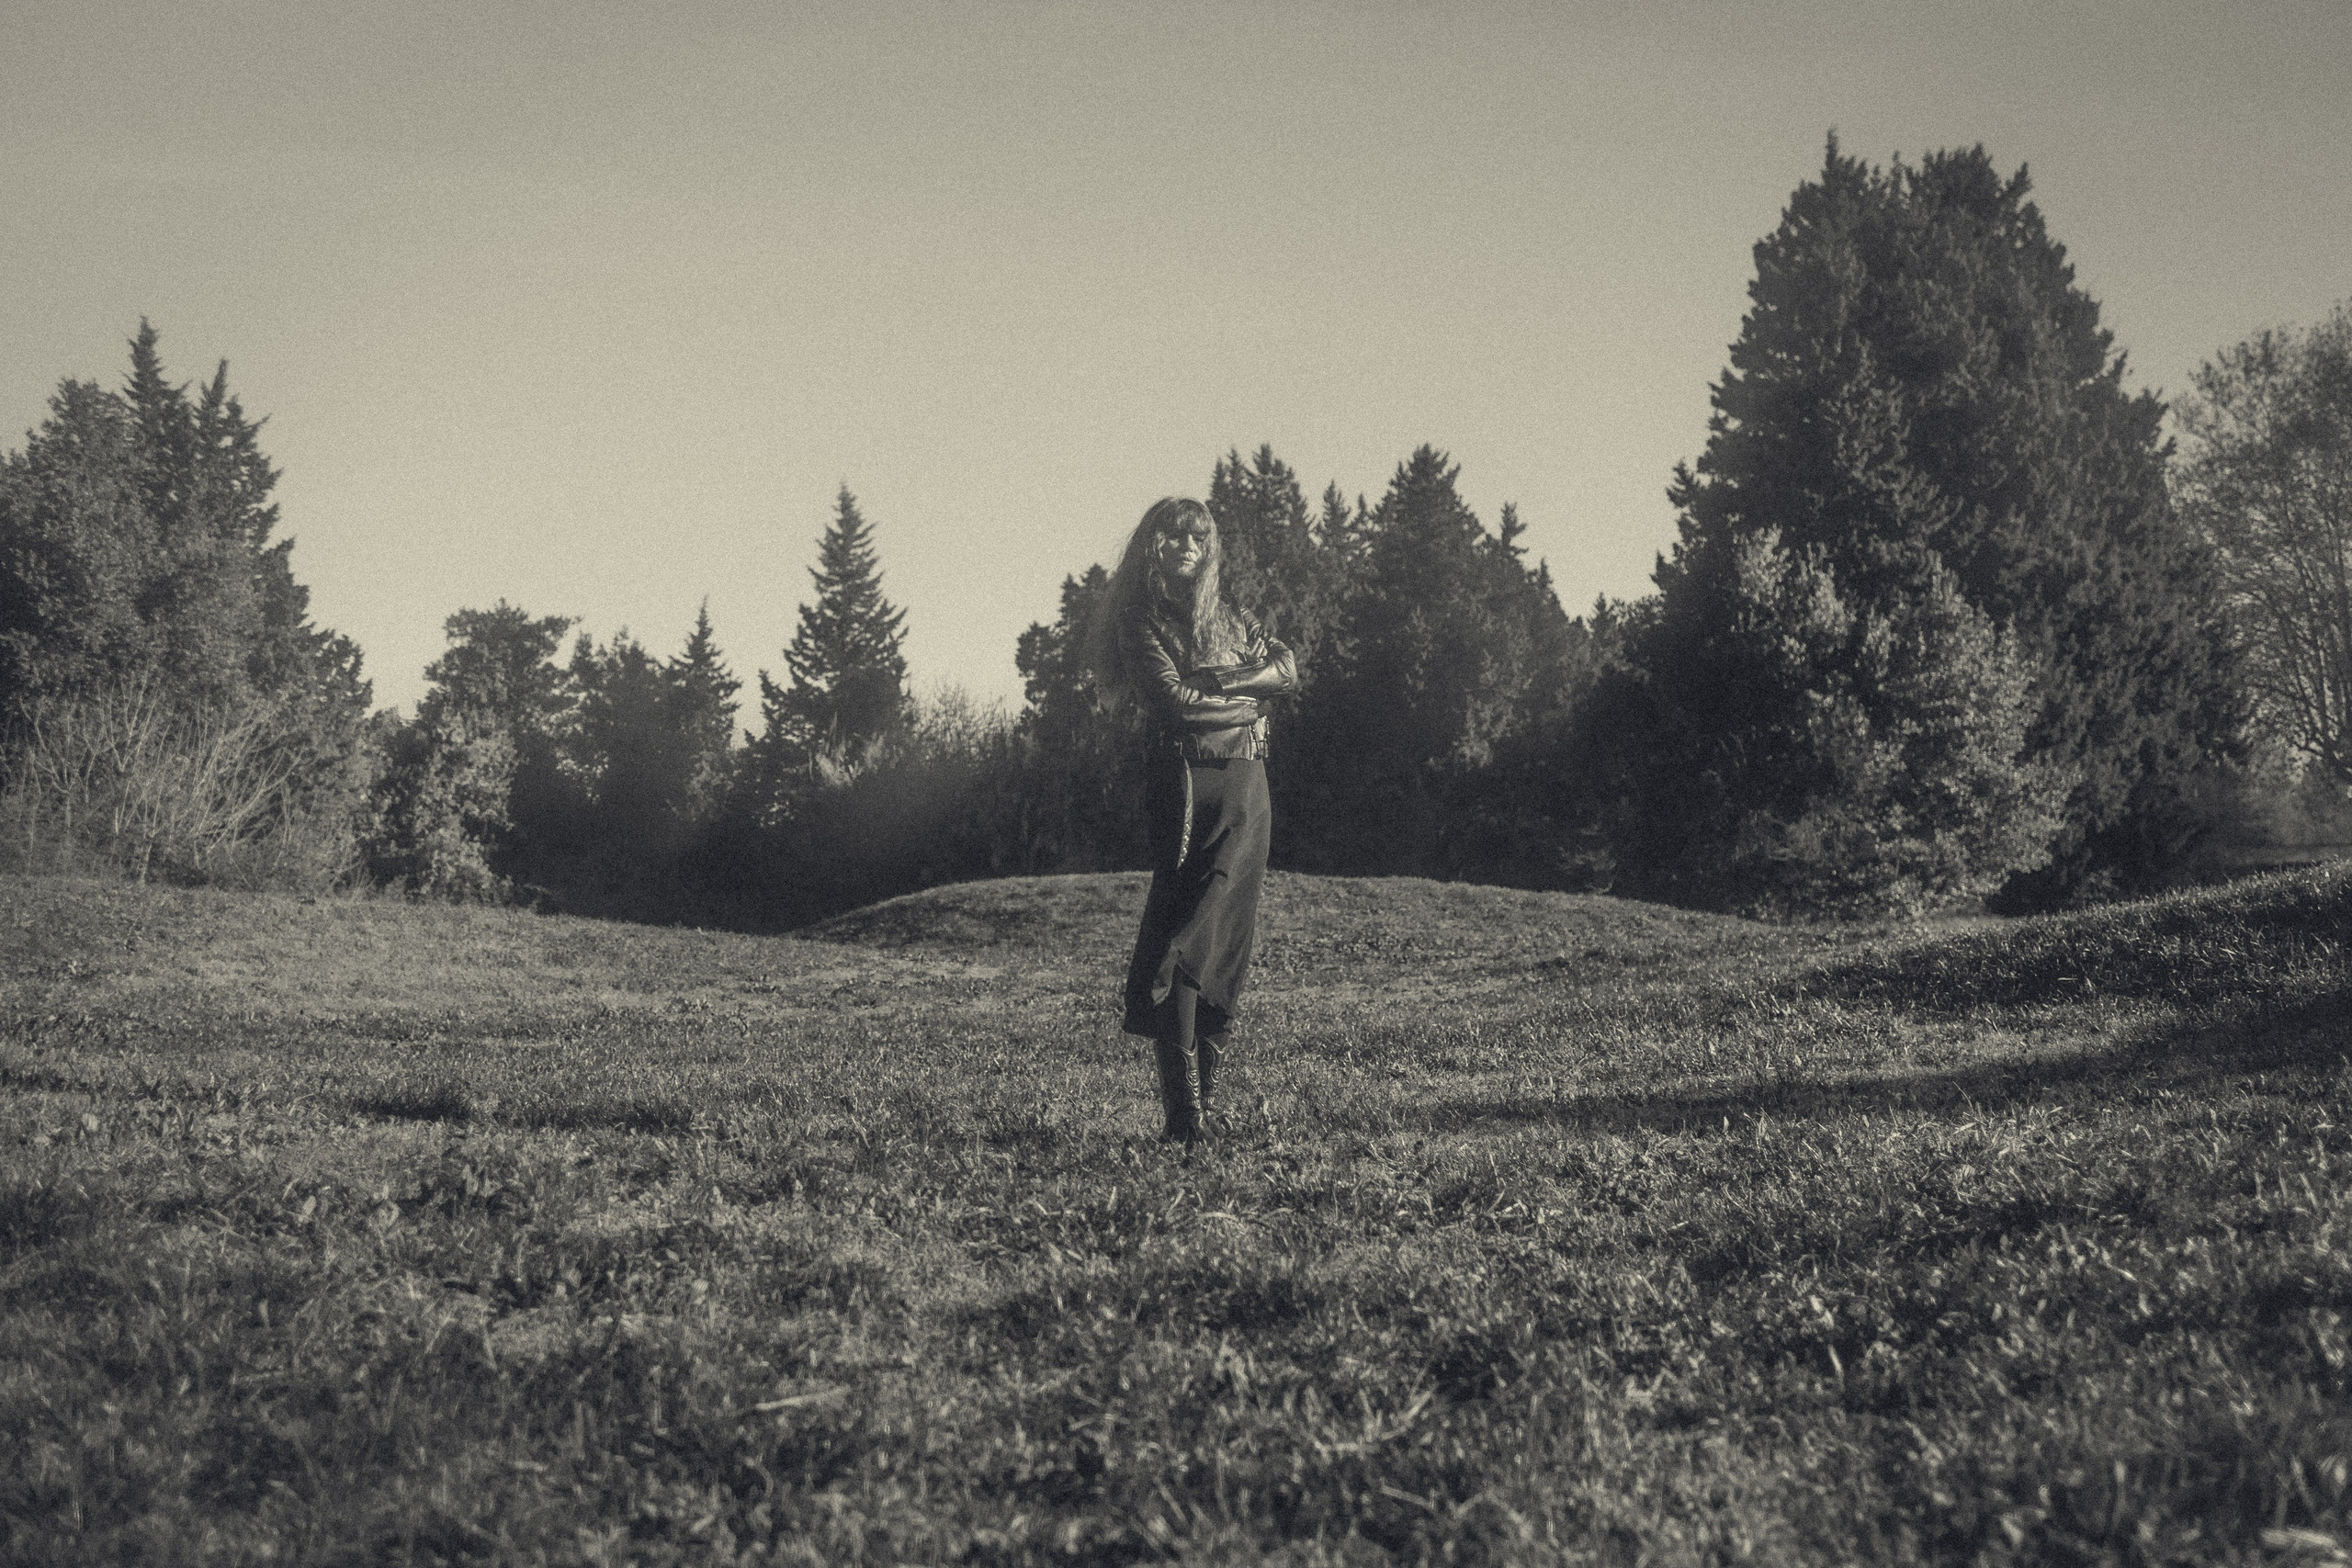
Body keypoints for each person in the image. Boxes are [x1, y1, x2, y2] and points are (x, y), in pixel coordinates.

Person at [1101, 496, 1298, 1145]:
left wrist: (1226, 688)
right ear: (1151, 544)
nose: (1185, 543)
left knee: (1227, 947)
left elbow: (1287, 668)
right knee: (1183, 939)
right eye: (1171, 533)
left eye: (1196, 535)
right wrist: (1249, 697)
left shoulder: (1230, 617)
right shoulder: (1139, 618)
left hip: (1248, 785)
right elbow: (1177, 706)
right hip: (1188, 786)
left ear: (1208, 547)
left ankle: (1201, 1114)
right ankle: (1183, 1116)